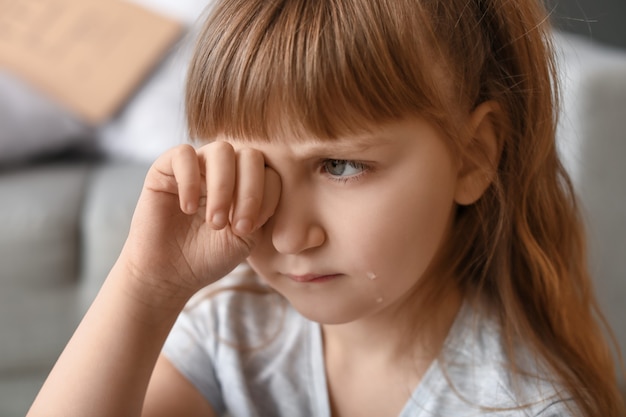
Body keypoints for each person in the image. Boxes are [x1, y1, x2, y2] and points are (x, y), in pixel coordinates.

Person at [27, 0, 626, 416]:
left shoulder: (525, 406)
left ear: (472, 157)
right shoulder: (232, 335)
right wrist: (145, 285)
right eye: (256, 171)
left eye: (340, 166)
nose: (288, 236)